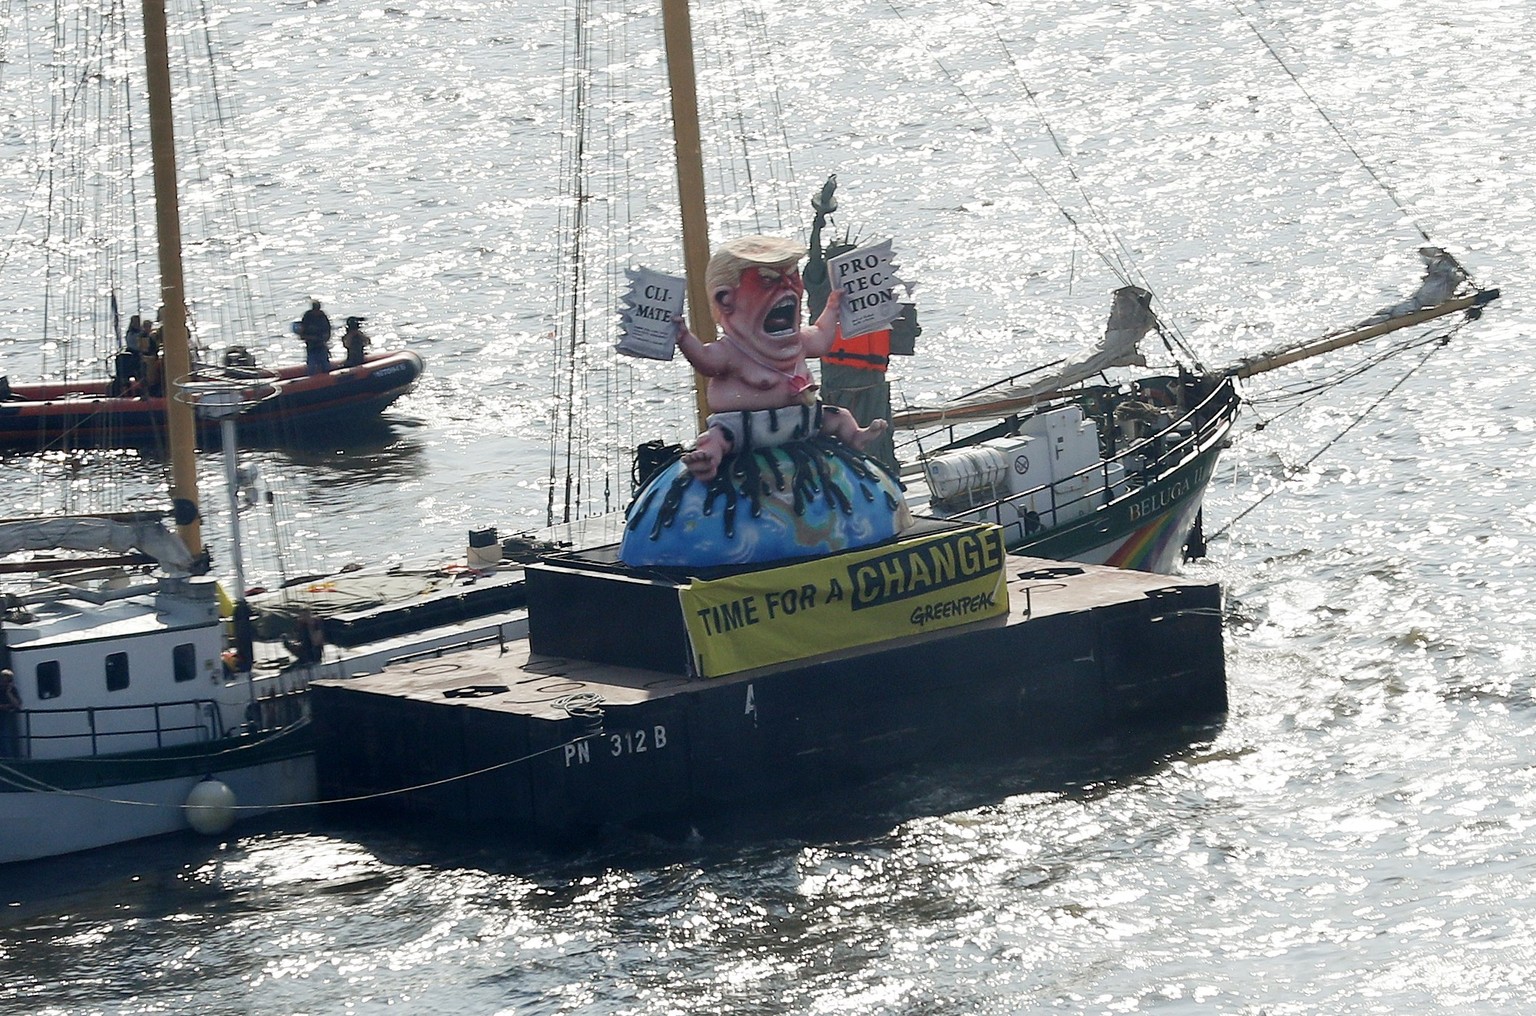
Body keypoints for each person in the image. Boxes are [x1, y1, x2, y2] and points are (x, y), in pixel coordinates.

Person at [672, 234, 888, 482]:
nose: (787, 286)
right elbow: (705, 360)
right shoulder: (732, 351)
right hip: (743, 429)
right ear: (725, 298)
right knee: (715, 439)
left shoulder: (799, 342)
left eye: (792, 275)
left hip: (803, 420)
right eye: (767, 280)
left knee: (838, 416)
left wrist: (831, 310)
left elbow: (821, 337)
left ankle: (855, 435)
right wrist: (684, 337)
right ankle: (709, 459)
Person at [298, 299, 333, 374]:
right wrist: (308, 337)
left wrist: (325, 338)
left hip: (321, 345)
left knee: (325, 365)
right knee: (311, 366)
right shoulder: (307, 317)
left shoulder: (323, 317)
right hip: (311, 346)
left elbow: (328, 330)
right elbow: (302, 332)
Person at [0, 669, 22, 757]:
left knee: (5, 739)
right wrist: (3, 707)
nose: (4, 682)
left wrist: (9, 693)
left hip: (5, 719)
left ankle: (7, 758)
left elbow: (17, 705)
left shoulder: (12, 690)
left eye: (7, 680)